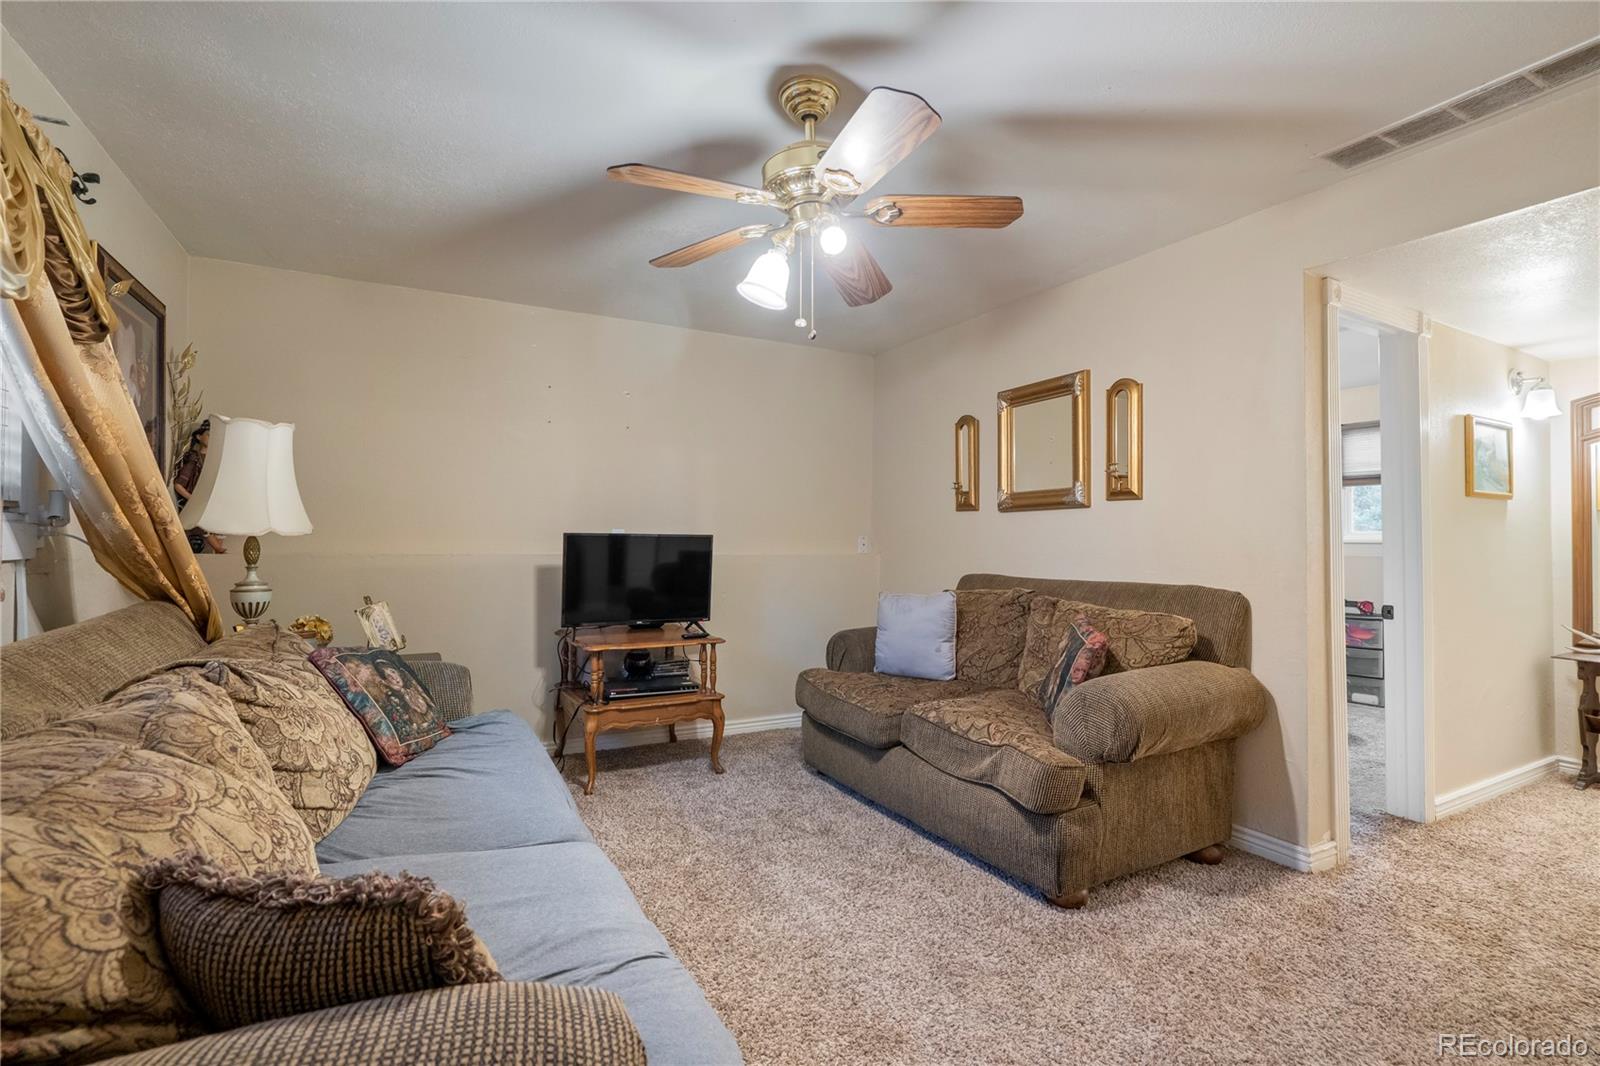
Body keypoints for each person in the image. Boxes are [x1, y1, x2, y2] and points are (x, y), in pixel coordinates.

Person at [171, 420, 226, 554]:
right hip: (199, 503)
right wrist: (193, 499)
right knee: (201, 525)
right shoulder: (194, 459)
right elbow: (179, 485)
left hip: (213, 502)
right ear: (199, 436)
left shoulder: (217, 459)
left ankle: (218, 549)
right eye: (208, 434)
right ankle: (218, 549)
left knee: (219, 525)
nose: (211, 438)